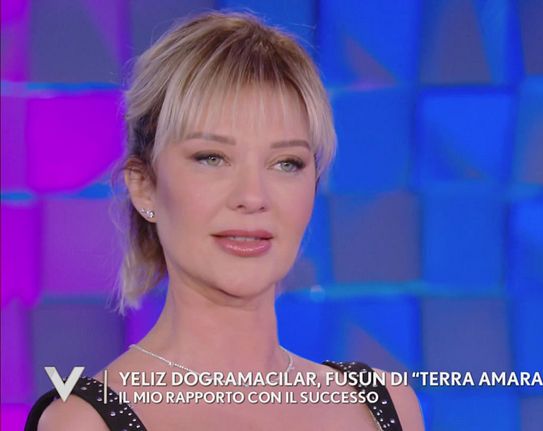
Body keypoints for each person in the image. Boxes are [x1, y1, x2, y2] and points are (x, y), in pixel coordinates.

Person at [25, 11, 424, 431]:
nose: (253, 197)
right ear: (144, 187)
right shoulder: (84, 423)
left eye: (286, 163)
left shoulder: (384, 405)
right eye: (211, 158)